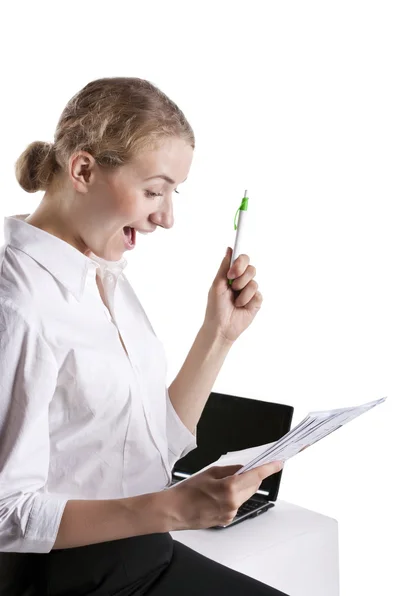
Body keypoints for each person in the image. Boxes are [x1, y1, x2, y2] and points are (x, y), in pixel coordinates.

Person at [0, 77, 288, 596]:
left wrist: (217, 335)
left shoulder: (102, 275)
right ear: (83, 169)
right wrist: (174, 507)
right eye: (154, 190)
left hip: (145, 555)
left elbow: (156, 448)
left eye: (173, 193)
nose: (167, 217)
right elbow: (5, 514)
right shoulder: (17, 306)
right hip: (64, 581)